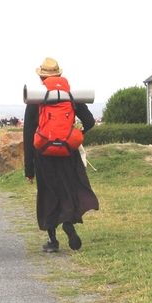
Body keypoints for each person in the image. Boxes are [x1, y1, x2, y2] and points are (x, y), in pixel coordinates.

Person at [23, 57, 100, 253]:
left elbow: (29, 132)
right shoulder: (70, 96)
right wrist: (74, 136)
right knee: (68, 189)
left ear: (42, 77)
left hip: (44, 154)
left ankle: (53, 240)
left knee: (48, 193)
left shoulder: (36, 98)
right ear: (59, 75)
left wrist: (29, 169)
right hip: (68, 152)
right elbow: (90, 121)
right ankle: (69, 223)